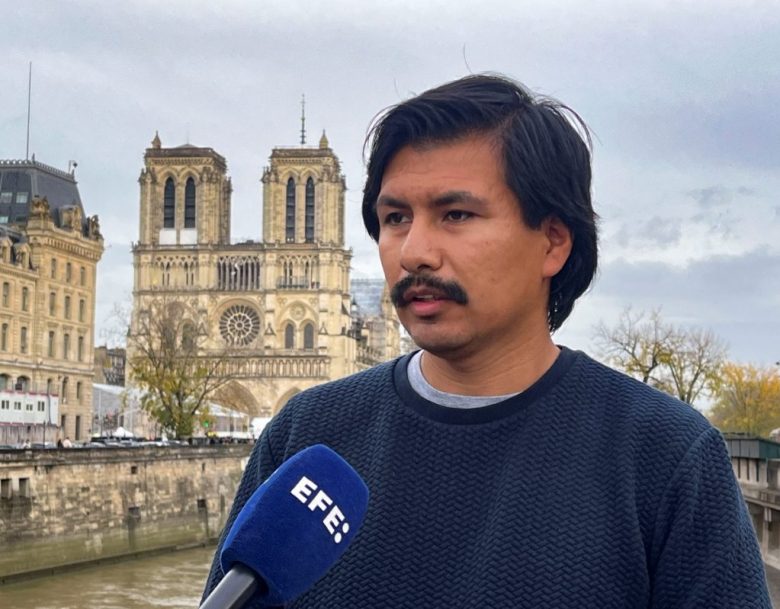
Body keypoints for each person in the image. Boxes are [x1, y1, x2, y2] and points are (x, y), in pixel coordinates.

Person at [203, 74, 770, 608]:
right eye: (396, 217)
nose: (413, 251)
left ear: (552, 243)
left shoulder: (665, 456)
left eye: (455, 214)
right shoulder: (305, 436)